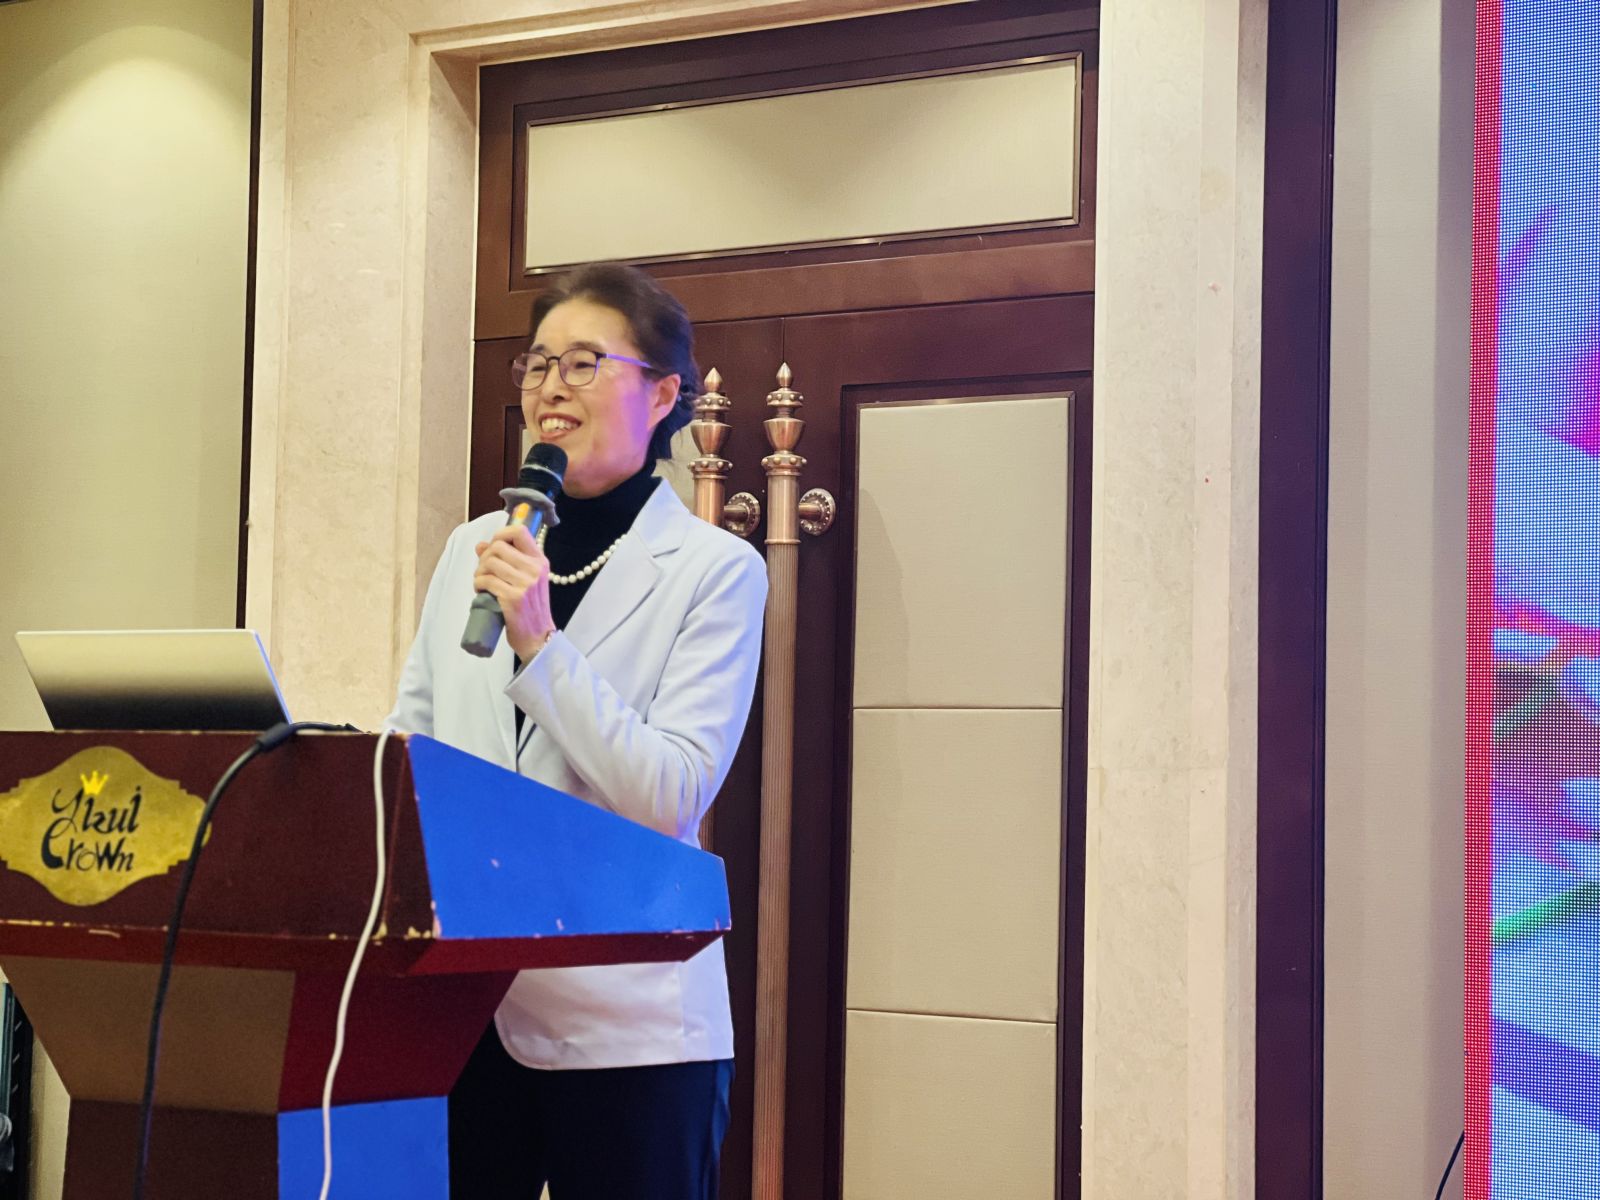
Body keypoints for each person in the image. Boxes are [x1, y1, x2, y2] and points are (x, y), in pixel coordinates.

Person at [386, 263, 766, 1198]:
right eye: (539, 363)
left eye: (586, 362)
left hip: (629, 1019)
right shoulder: (473, 549)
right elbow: (414, 749)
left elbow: (672, 793)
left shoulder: (716, 570)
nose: (552, 387)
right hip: (464, 1010)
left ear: (664, 394)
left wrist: (540, 646)